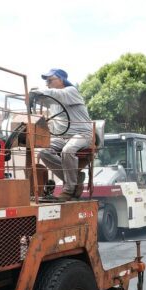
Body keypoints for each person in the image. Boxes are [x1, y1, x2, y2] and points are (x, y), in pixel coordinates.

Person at [35, 68, 93, 201]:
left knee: (68, 150)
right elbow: (43, 99)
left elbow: (53, 94)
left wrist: (37, 92)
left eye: (50, 80)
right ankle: (76, 179)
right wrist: (31, 99)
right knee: (44, 151)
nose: (47, 84)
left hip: (83, 134)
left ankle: (68, 190)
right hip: (63, 137)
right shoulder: (54, 101)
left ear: (61, 80)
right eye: (46, 82)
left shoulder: (71, 91)